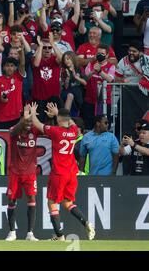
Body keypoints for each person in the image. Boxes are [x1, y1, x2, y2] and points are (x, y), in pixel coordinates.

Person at [29, 102, 95, 241]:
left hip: (59, 173)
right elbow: (70, 121)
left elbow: (37, 125)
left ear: (58, 119)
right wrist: (58, 112)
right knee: (67, 203)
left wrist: (33, 112)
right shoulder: (73, 130)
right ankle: (86, 223)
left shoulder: (55, 131)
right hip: (72, 173)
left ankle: (59, 236)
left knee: (51, 202)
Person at [5, 105, 39, 242]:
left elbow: (47, 129)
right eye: (27, 121)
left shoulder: (35, 131)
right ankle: (12, 232)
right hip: (15, 172)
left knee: (31, 198)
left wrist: (37, 117)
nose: (29, 124)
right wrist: (23, 120)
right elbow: (12, 133)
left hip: (30, 172)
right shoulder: (15, 130)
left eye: (30, 121)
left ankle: (30, 233)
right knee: (11, 200)